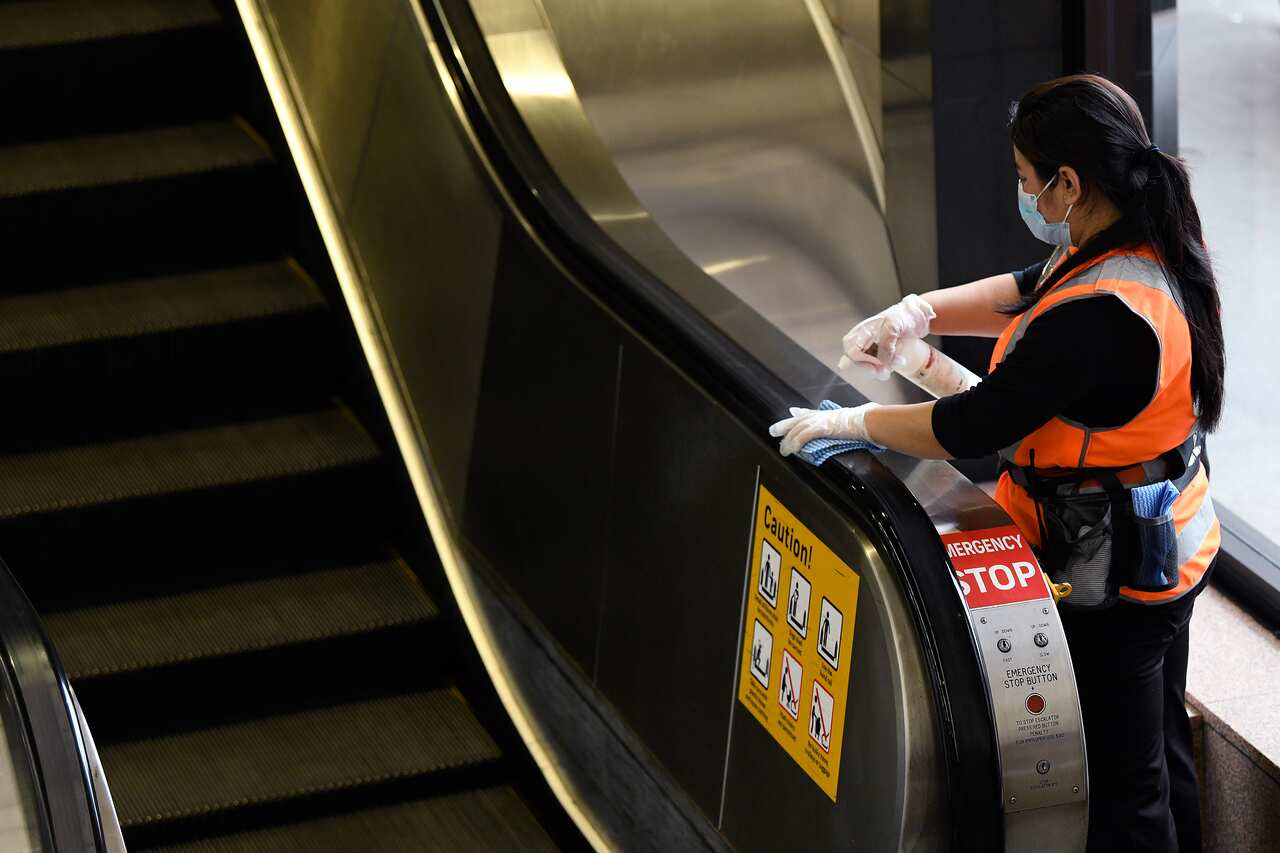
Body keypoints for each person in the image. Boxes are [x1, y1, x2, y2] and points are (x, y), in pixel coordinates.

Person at [770, 74, 1223, 853]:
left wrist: (853, 420)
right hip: (1169, 544)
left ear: (1069, 185)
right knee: (1157, 746)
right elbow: (1023, 292)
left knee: (1126, 788)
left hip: (1116, 576)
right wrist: (920, 311)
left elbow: (974, 422)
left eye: (1025, 180)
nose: (1023, 194)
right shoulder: (1137, 241)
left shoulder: (1098, 319)